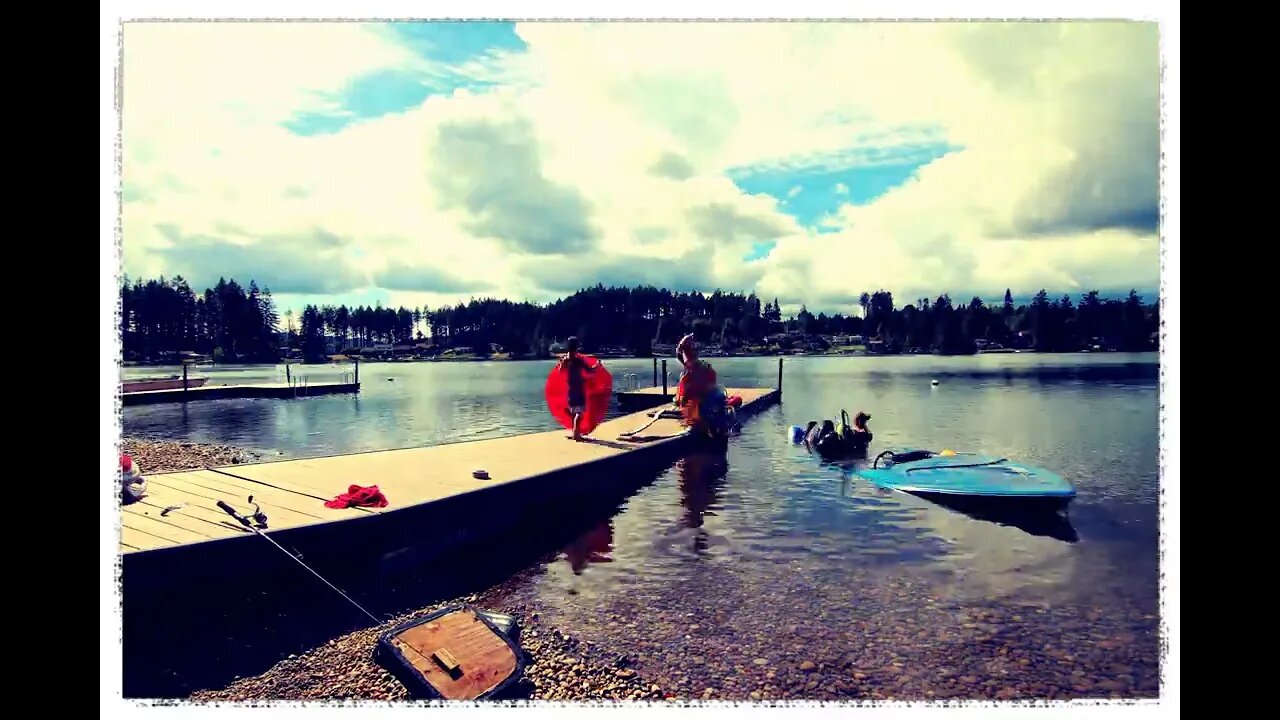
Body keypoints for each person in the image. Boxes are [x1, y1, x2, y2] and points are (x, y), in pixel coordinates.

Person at [558, 336, 598, 441]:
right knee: (578, 412)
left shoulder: (566, 358)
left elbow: (560, 370)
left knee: (573, 411)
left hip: (570, 387)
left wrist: (563, 362)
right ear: (577, 346)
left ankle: (575, 432)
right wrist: (598, 365)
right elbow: (590, 370)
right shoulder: (578, 360)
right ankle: (577, 435)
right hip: (578, 387)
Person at [674, 333, 717, 429]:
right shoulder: (687, 341)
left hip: (693, 365)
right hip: (690, 366)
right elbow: (679, 352)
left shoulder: (694, 344)